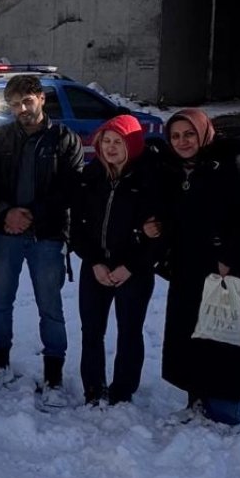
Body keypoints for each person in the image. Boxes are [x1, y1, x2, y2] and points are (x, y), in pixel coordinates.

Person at [148, 108, 240, 425]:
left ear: (204, 133)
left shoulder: (232, 164)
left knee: (224, 337)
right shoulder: (175, 170)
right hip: (188, 268)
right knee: (193, 334)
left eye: (189, 134)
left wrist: (228, 256)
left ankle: (224, 411)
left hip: (226, 270)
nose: (182, 141)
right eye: (176, 136)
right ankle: (197, 401)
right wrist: (158, 229)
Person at [0, 74, 84, 408]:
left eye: (27, 102)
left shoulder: (64, 139)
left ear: (41, 98)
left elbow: (70, 188)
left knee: (50, 307)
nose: (21, 110)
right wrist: (5, 214)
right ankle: (0, 361)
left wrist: (32, 215)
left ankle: (53, 372)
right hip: (4, 234)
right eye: (14, 105)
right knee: (0, 301)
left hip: (47, 235)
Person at [70, 115, 158, 406]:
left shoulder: (148, 179)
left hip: (133, 269)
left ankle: (123, 390)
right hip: (96, 266)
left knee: (129, 331)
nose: (110, 148)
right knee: (92, 330)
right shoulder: (91, 176)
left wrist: (130, 266)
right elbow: (77, 227)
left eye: (117, 142)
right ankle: (93, 388)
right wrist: (94, 261)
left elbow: (158, 234)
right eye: (105, 141)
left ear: (131, 144)